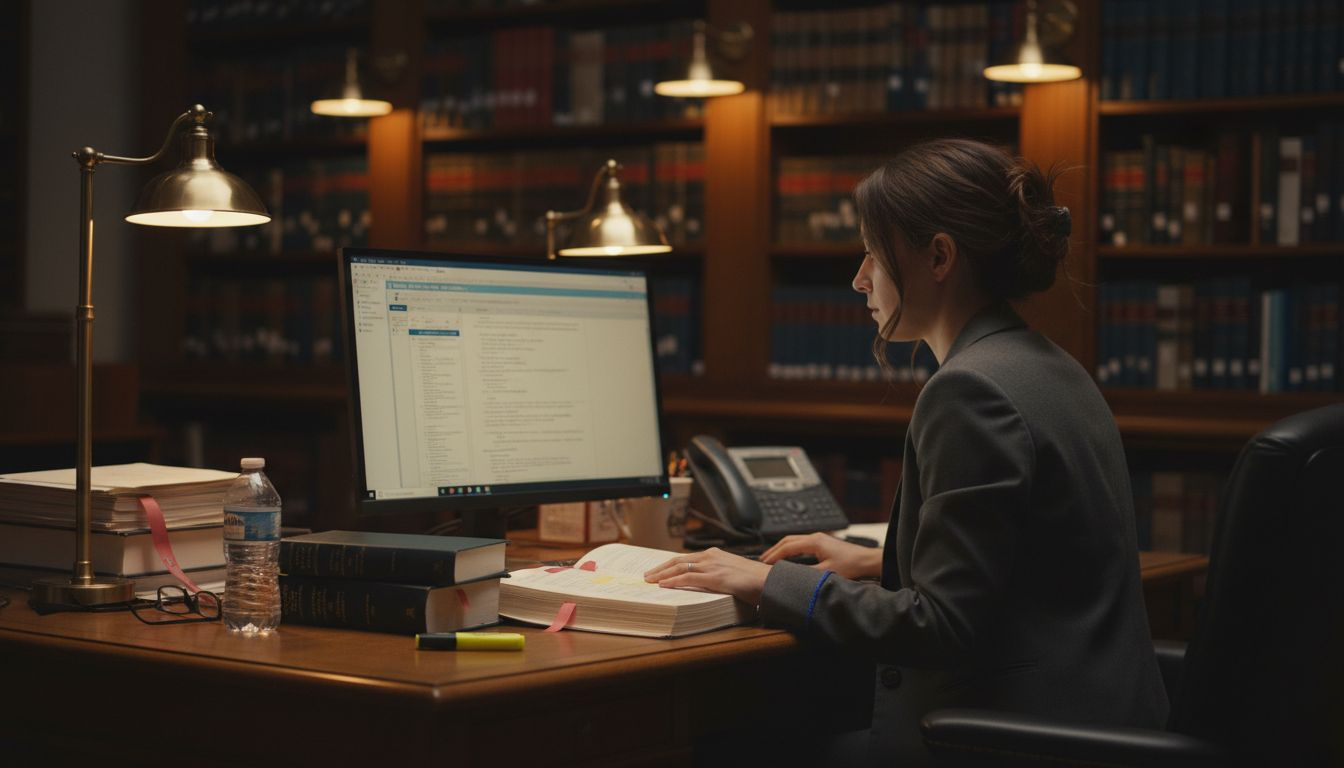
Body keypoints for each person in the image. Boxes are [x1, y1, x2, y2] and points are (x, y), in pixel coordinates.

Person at [644, 138, 1170, 766]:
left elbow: (941, 625)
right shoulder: (1050, 366)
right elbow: (1028, 562)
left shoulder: (971, 391)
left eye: (872, 252)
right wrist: (878, 561)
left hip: (1011, 738)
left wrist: (768, 581)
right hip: (1091, 718)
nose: (858, 277)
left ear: (940, 256)